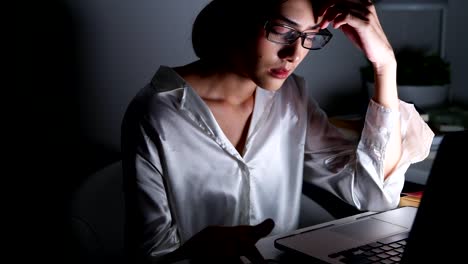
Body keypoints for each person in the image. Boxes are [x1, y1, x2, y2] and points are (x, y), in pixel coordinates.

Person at [121, 0, 434, 263]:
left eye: (311, 36)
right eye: (283, 31)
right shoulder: (158, 111)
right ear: (236, 18)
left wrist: (384, 65)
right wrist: (198, 250)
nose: (294, 53)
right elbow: (153, 252)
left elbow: (375, 194)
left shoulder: (291, 96)